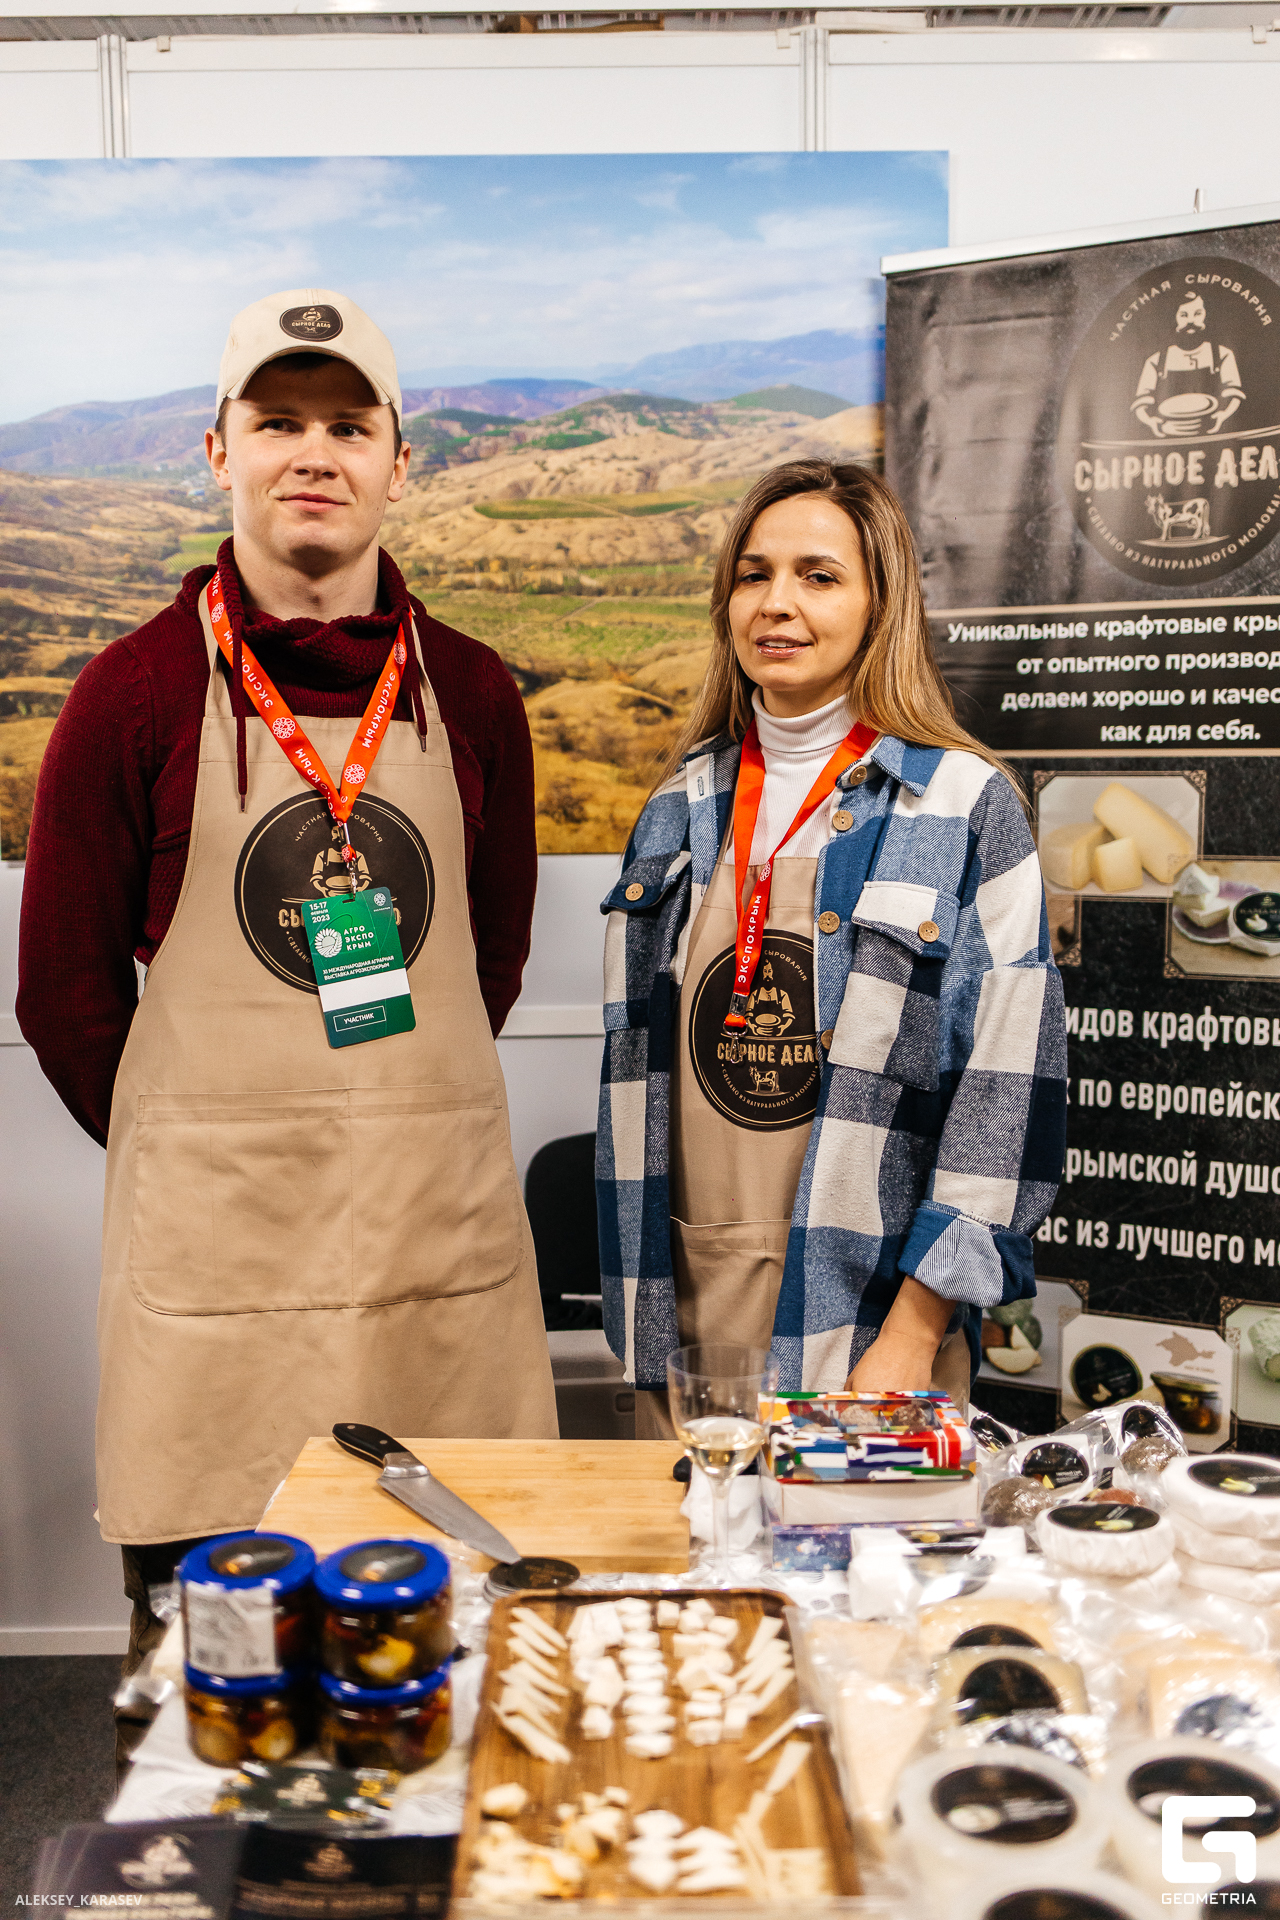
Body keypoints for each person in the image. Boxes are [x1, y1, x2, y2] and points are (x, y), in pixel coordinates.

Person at [18, 287, 557, 1735]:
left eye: (347, 425)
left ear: (400, 464)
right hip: (219, 1292)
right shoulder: (130, 695)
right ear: (218, 451)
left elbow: (490, 963)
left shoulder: (476, 695)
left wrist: (387, 1117)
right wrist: (205, 1147)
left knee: (445, 1692)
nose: (312, 452)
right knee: (226, 1715)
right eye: (276, 422)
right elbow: (64, 996)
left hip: (433, 1269)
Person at [595, 461, 1066, 1433]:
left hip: (867, 1334)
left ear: (878, 604)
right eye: (752, 574)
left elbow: (1005, 1093)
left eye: (817, 576)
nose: (776, 603)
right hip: (685, 1323)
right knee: (696, 1535)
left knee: (857, 1542)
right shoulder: (677, 807)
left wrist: (913, 1331)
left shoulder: (963, 805)